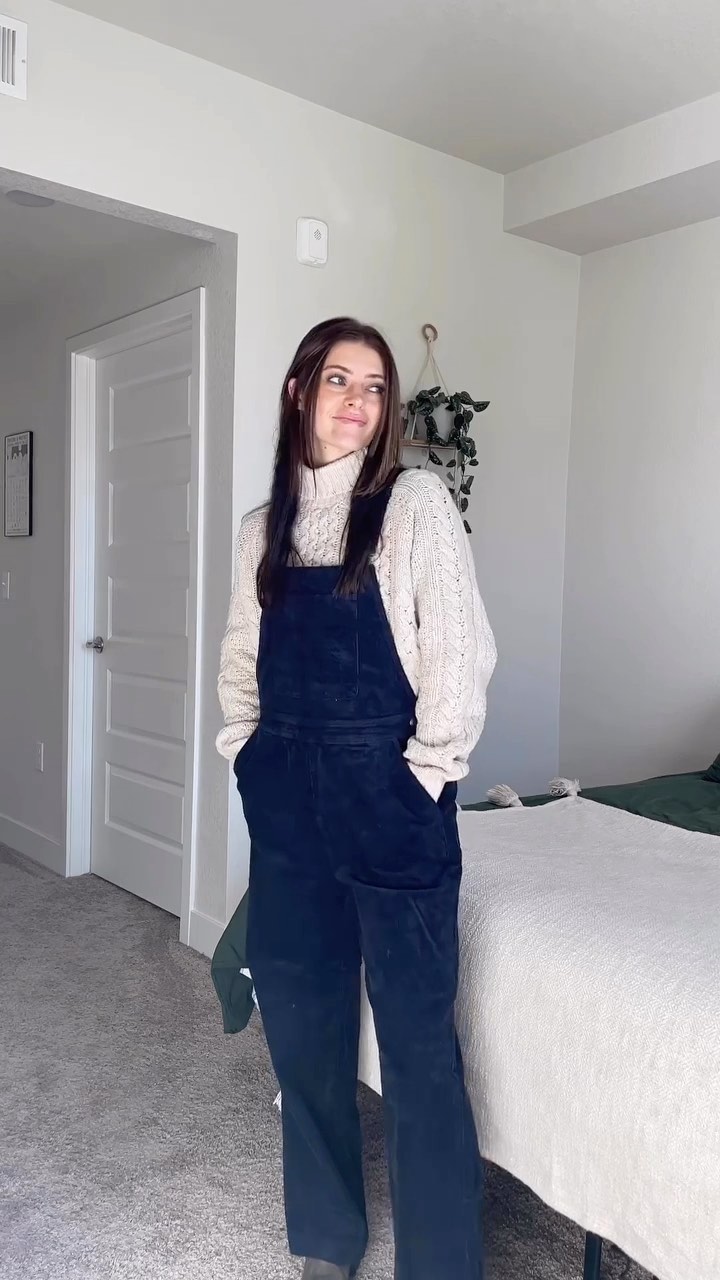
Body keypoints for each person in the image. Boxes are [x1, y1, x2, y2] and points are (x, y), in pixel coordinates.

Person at [216, 317, 497, 1280]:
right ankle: (328, 1238)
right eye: (339, 379)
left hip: (391, 805)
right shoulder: (260, 530)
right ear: (300, 392)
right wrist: (247, 756)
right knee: (302, 1029)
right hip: (289, 814)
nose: (359, 401)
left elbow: (459, 655)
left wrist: (425, 775)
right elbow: (241, 662)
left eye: (375, 388)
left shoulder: (415, 503)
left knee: (419, 1049)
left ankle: (441, 1264)